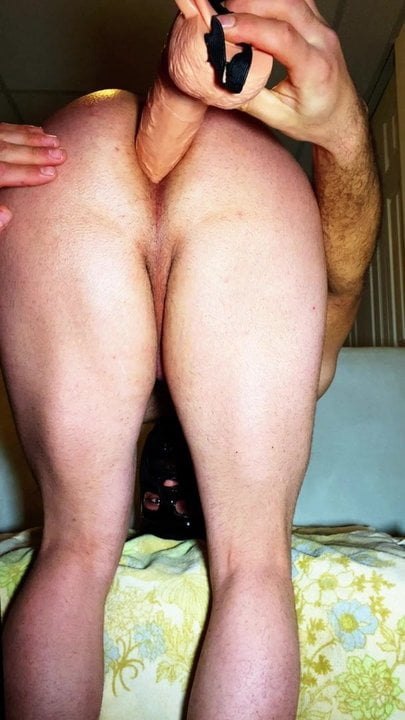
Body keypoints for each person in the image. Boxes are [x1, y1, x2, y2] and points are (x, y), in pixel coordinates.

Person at [0, 1, 381, 719]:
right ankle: (184, 90)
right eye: (185, 503)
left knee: (76, 549)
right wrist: (343, 133)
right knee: (253, 565)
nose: (172, 486)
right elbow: (342, 282)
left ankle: (180, 92)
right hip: (229, 168)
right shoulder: (306, 377)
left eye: (155, 504)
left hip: (72, 162)